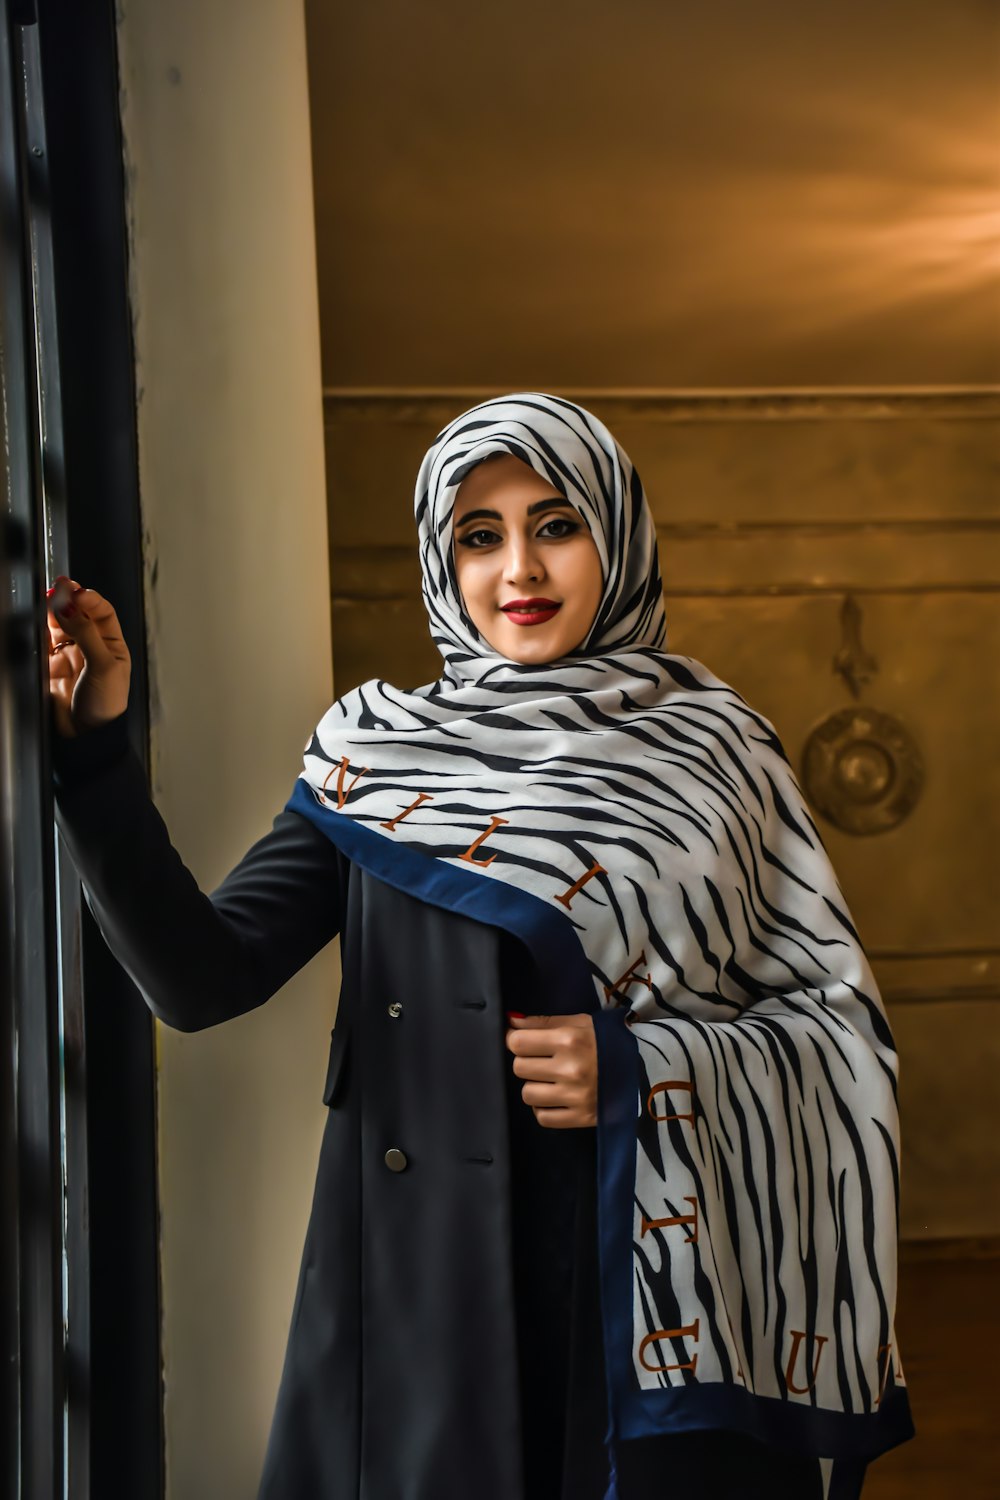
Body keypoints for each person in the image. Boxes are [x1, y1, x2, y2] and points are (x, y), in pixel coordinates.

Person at [47, 393, 914, 1500]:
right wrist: (96, 759)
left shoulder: (718, 755)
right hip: (434, 1292)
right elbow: (198, 978)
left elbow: (835, 1034)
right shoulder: (379, 764)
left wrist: (641, 1066)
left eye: (556, 524)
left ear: (617, 536)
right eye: (478, 535)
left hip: (654, 1295)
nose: (520, 570)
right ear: (438, 560)